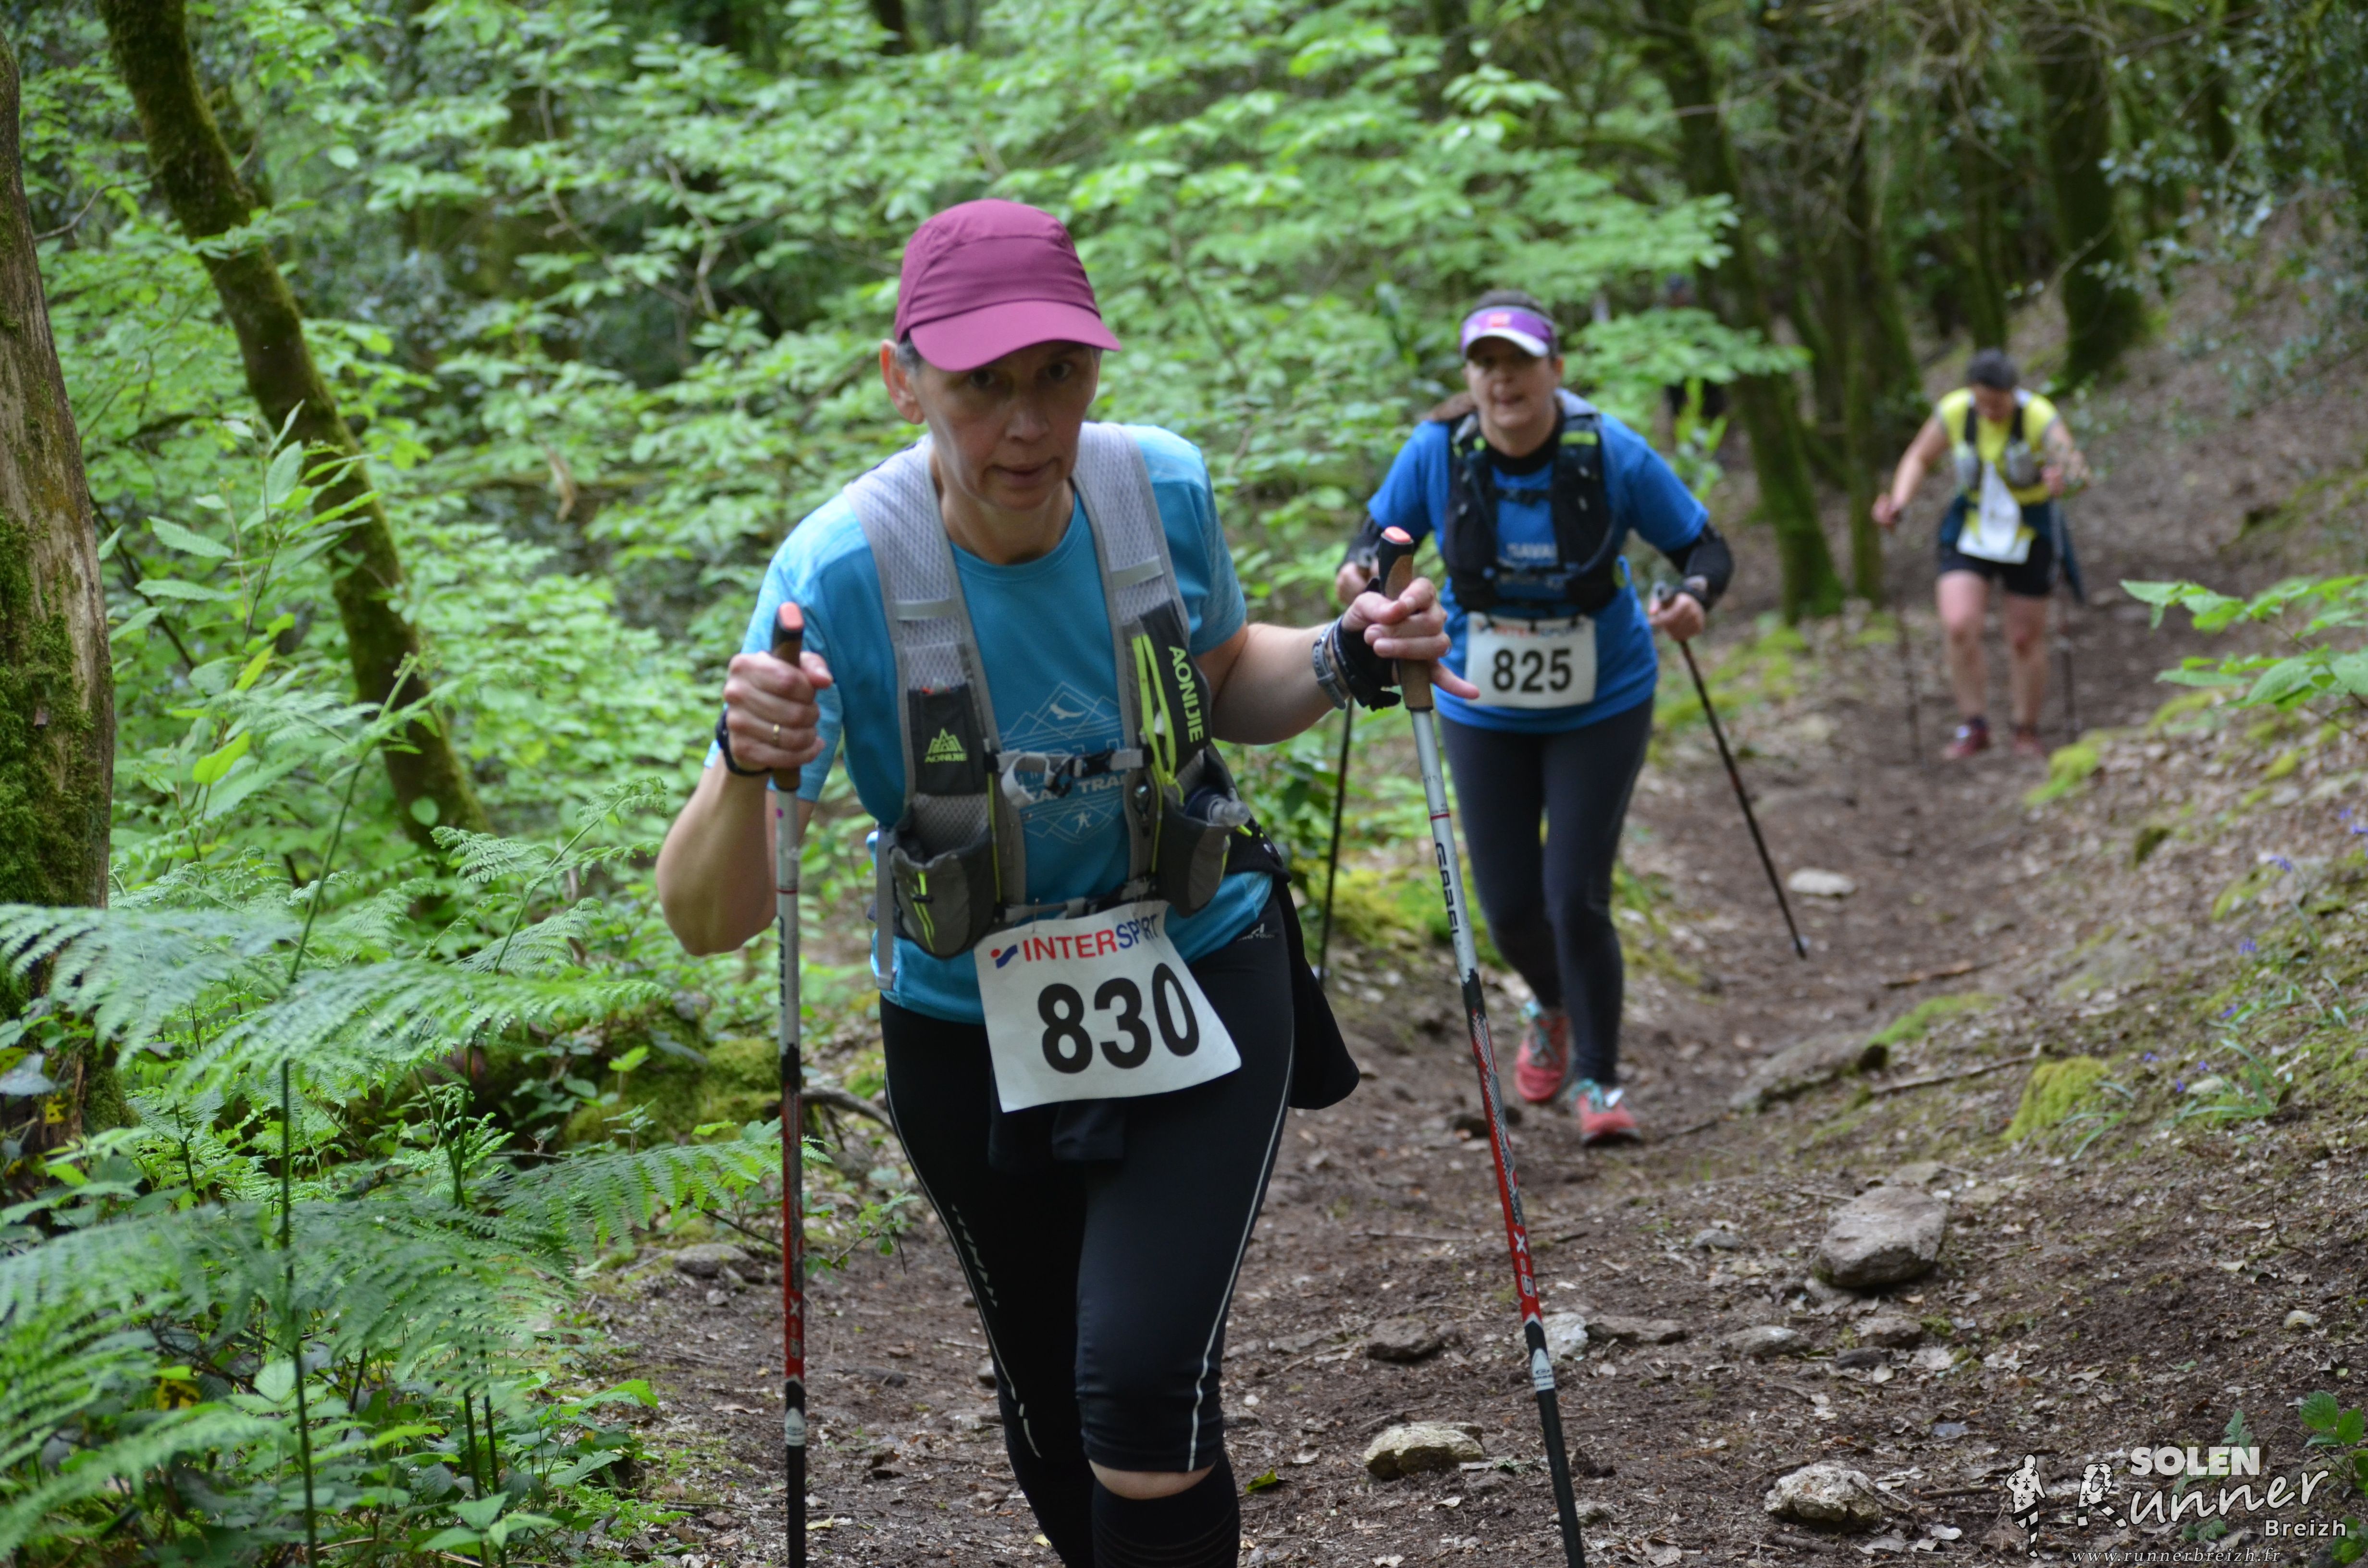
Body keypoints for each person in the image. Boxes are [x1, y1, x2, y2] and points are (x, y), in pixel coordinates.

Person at [654, 198, 1468, 1568]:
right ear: (902, 379)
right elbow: (708, 917)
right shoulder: (838, 574)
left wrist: (1343, 653)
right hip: (965, 1020)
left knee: (1139, 1385)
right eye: (983, 384)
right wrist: (743, 765)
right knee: (1050, 1402)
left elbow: (1221, 678)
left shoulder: (1161, 492)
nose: (1028, 424)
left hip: (1200, 959)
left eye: (1060, 374)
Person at [1333, 289, 1733, 1143]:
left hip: (1603, 696)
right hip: (1484, 705)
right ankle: (1551, 1003)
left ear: (1555, 368)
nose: (1501, 379)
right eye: (1485, 363)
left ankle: (1601, 1077)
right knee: (1511, 906)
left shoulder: (1609, 450)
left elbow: (1704, 546)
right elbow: (1374, 542)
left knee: (1574, 896)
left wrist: (1693, 596)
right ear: (1470, 377)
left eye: (1517, 361)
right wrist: (1362, 578)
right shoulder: (1438, 450)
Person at [1872, 348, 2091, 760]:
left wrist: (2065, 479)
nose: (1989, 411)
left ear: (2014, 393)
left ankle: (2026, 729)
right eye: (1982, 402)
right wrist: (1899, 501)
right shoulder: (1955, 411)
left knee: (2024, 637)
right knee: (1958, 624)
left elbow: (2078, 469)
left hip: (2029, 530)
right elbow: (1919, 456)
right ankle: (1974, 725)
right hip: (1972, 527)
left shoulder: (2038, 416)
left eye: (1998, 404)